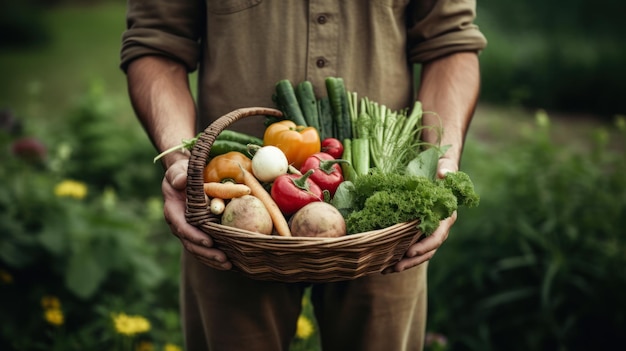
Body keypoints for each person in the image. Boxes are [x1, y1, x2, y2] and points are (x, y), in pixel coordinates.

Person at [120, 1, 486, 350]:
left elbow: (450, 43)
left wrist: (443, 164)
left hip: (385, 237)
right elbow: (156, 42)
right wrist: (181, 162)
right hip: (235, 227)